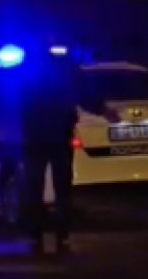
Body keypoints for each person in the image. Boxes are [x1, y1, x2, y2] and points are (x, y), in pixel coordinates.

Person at [16, 45, 105, 257]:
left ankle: (37, 238)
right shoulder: (64, 69)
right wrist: (102, 110)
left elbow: (17, 99)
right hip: (56, 136)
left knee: (36, 189)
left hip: (37, 137)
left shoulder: (29, 70)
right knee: (61, 189)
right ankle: (60, 238)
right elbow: (81, 94)